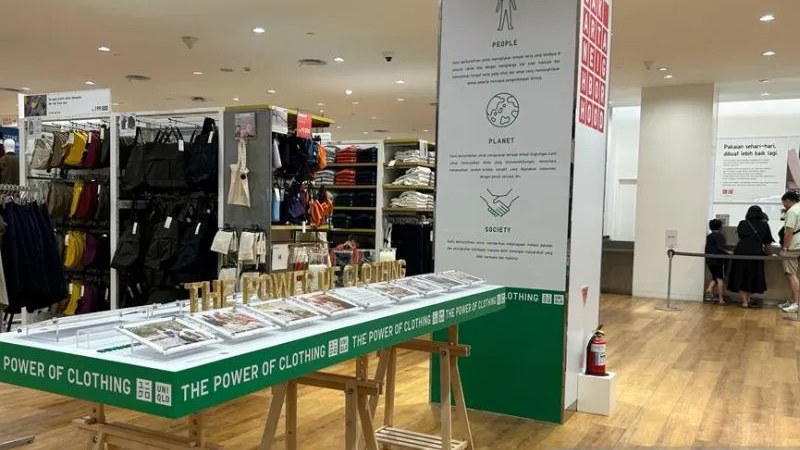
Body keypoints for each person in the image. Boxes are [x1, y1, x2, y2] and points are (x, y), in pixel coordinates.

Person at [727, 205, 774, 308]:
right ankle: (747, 299)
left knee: (740, 274)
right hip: (756, 252)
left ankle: (745, 301)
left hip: (741, 251)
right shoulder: (764, 225)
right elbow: (767, 242)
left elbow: (740, 236)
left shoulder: (743, 223)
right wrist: (770, 253)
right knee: (752, 274)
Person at [781, 191, 800, 312]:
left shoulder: (792, 211)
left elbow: (789, 232)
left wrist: (785, 248)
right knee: (797, 276)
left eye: (784, 203)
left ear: (788, 200)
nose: (784, 206)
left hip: (794, 246)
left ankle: (796, 303)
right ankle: (793, 301)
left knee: (791, 274)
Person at [705, 219, 727, 304]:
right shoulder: (720, 236)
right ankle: (721, 299)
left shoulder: (708, 236)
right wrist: (728, 253)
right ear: (720, 227)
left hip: (709, 259)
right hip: (717, 259)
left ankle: (710, 288)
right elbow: (720, 248)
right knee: (720, 279)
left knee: (715, 277)